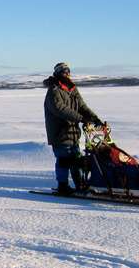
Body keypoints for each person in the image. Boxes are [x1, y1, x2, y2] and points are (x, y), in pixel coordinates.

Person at [43, 62, 103, 195]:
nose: (67, 74)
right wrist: (81, 118)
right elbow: (60, 109)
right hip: (60, 132)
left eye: (68, 71)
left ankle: (80, 184)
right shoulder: (54, 90)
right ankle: (63, 186)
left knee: (76, 158)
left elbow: (82, 106)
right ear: (58, 74)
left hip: (73, 132)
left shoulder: (72, 89)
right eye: (64, 71)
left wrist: (94, 118)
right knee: (64, 159)